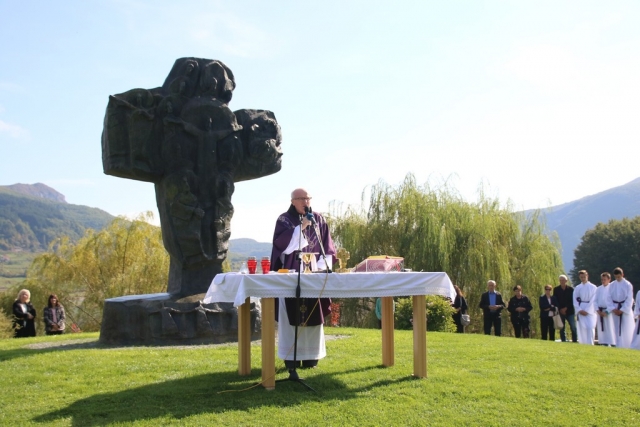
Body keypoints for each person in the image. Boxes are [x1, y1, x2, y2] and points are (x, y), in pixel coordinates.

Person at [270, 188, 336, 369]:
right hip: (291, 275)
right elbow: (282, 246)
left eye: (307, 198)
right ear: (293, 201)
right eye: (301, 199)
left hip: (314, 274)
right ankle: (291, 358)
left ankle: (310, 358)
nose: (305, 202)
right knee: (290, 320)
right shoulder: (284, 219)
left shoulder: (319, 219)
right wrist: (302, 227)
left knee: (313, 315)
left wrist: (323, 268)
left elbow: (327, 246)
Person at [606, 267, 635, 348]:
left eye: (619, 277)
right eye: (616, 277)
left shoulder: (628, 284)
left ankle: (627, 345)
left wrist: (622, 310)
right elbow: (608, 298)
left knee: (626, 328)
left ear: (622, 275)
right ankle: (618, 344)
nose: (617, 278)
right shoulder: (612, 285)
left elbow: (629, 299)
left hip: (624, 309)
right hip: (615, 308)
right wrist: (613, 308)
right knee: (616, 328)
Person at [573, 270, 597, 345]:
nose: (583, 278)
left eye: (584, 277)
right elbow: (575, 300)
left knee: (590, 327)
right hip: (581, 308)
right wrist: (579, 310)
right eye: (581, 277)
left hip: (590, 309)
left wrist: (587, 310)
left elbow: (594, 299)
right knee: (582, 328)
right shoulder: (577, 288)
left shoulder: (593, 287)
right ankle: (582, 343)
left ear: (587, 276)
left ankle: (590, 343)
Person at [553, 275, 577, 342]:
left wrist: (566, 308)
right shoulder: (556, 289)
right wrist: (560, 309)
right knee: (562, 328)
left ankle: (574, 340)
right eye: (560, 280)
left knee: (573, 327)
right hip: (560, 311)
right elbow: (555, 300)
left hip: (570, 311)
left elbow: (572, 300)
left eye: (563, 280)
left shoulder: (571, 289)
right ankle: (563, 340)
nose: (562, 282)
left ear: (566, 281)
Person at [595, 272, 616, 346]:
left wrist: (607, 311)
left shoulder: (612, 288)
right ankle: (603, 343)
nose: (603, 281)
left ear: (609, 279)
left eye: (605, 279)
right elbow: (595, 301)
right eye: (602, 279)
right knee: (602, 329)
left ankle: (613, 343)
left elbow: (613, 301)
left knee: (610, 328)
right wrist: (598, 310)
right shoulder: (598, 289)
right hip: (600, 311)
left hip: (609, 311)